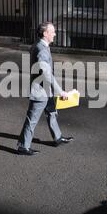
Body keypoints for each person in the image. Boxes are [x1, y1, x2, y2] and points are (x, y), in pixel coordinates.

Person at [16, 22, 74, 155]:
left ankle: (58, 138)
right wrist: (61, 92)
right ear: (45, 33)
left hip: (46, 90)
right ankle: (23, 147)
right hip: (40, 91)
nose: (54, 33)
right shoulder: (41, 49)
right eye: (52, 31)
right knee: (32, 119)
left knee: (52, 112)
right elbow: (46, 73)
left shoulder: (41, 45)